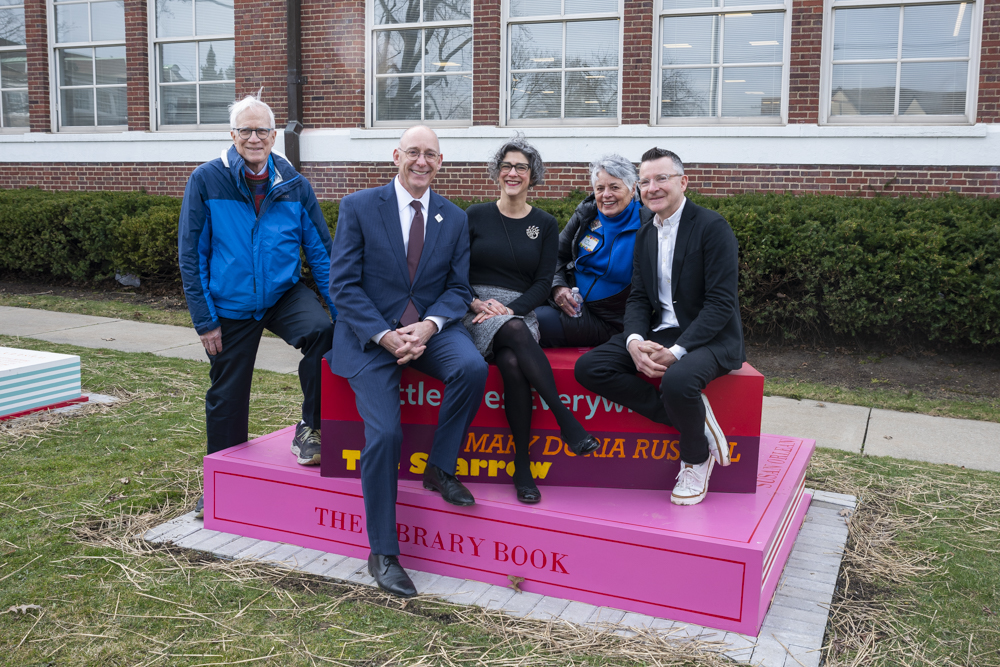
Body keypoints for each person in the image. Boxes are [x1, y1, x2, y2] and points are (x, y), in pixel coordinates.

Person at [326, 126, 489, 598]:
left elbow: (459, 288)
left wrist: (430, 326)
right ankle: (383, 551)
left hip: (427, 331)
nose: (422, 161)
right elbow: (343, 285)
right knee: (386, 432)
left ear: (441, 162)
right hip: (370, 335)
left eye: (431, 155)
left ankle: (439, 467)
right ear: (396, 155)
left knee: (471, 368)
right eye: (413, 152)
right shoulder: (359, 207)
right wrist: (383, 334)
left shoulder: (453, 218)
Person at [178, 95, 336, 519]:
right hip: (229, 302)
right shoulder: (207, 180)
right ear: (232, 135)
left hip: (283, 293)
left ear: (273, 136)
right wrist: (205, 320)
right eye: (245, 130)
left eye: (262, 131)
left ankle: (311, 427)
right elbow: (191, 256)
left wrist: (342, 312)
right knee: (227, 393)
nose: (254, 138)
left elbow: (321, 253)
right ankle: (221, 484)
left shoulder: (294, 185)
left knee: (326, 333)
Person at [575, 148, 745, 507]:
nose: (653, 187)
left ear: (683, 181)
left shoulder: (712, 228)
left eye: (662, 178)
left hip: (710, 336)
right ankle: (694, 419)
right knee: (590, 367)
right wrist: (635, 340)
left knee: (678, 381)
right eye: (647, 180)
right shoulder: (645, 234)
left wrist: (676, 352)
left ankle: (696, 458)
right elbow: (638, 298)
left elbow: (720, 305)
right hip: (660, 331)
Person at [463, 137, 601, 505]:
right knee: (514, 333)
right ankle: (566, 420)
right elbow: (453, 271)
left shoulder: (545, 223)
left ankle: (521, 466)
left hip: (520, 311)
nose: (512, 173)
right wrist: (476, 303)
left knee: (512, 361)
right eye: (506, 166)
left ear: (531, 175)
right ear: (497, 172)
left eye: (521, 167)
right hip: (477, 308)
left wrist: (512, 308)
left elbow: (544, 282)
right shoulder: (474, 215)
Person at [536, 154, 650, 348]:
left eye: (614, 187)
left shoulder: (649, 225)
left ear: (632, 189)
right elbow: (554, 255)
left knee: (525, 323)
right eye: (600, 188)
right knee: (509, 314)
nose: (606, 195)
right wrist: (557, 287)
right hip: (567, 302)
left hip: (607, 320)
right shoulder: (587, 214)